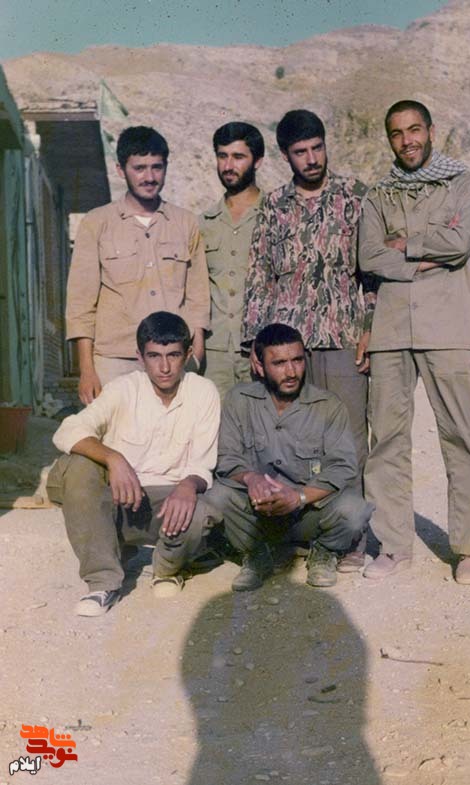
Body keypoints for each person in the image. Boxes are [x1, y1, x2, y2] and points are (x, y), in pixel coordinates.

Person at [358, 100, 470, 585]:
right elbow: (369, 256)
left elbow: (461, 243)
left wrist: (407, 245)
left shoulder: (464, 184)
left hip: (448, 326)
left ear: (431, 131)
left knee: (459, 435)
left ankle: (468, 548)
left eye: (415, 130)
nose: (407, 140)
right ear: (389, 140)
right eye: (397, 134)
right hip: (392, 329)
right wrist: (427, 260)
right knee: (387, 439)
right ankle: (394, 545)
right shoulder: (378, 195)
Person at [47, 312, 221, 616]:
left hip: (168, 507)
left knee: (205, 511)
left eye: (173, 355)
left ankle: (166, 568)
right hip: (121, 500)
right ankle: (103, 582)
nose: (164, 367)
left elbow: (202, 464)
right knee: (77, 464)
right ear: (140, 357)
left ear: (187, 355)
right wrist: (113, 458)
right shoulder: (123, 388)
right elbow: (68, 430)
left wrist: (188, 484)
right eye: (154, 356)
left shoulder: (203, 392)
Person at [241, 109, 375, 475]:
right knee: (295, 439)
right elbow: (260, 276)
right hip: (289, 345)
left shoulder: (354, 196)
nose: (312, 159)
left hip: (344, 340)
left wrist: (369, 330)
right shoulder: (273, 206)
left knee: (349, 438)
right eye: (301, 152)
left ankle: (352, 513)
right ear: (286, 155)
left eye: (317, 148)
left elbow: (372, 275)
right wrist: (256, 342)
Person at [205, 323, 373, 592]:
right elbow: (227, 458)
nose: (291, 372)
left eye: (297, 360)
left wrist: (299, 497)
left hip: (307, 513)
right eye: (279, 363)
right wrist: (251, 479)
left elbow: (342, 468)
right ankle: (256, 554)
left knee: (355, 510)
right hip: (257, 512)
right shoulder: (239, 400)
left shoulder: (328, 406)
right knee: (217, 497)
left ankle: (324, 551)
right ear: (259, 366)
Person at [66, 126, 210, 404]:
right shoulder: (96, 223)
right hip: (115, 360)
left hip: (172, 358)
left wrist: (197, 348)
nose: (149, 177)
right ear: (121, 170)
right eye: (139, 168)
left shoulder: (186, 223)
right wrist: (87, 370)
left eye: (157, 167)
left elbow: (198, 294)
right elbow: (80, 303)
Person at [199, 122, 264, 398]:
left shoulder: (276, 216)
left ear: (257, 161)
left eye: (238, 157)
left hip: (261, 349)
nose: (228, 166)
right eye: (222, 156)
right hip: (215, 355)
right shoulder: (204, 223)